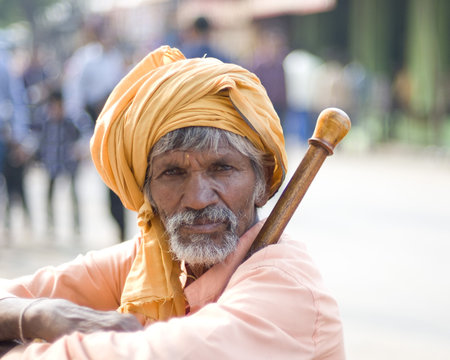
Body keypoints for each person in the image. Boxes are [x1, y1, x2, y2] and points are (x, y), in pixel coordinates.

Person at [0, 46, 345, 359]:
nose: (197, 199)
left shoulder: (287, 288)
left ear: (262, 182)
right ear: (147, 191)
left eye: (222, 168)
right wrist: (36, 315)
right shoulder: (153, 261)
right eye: (173, 173)